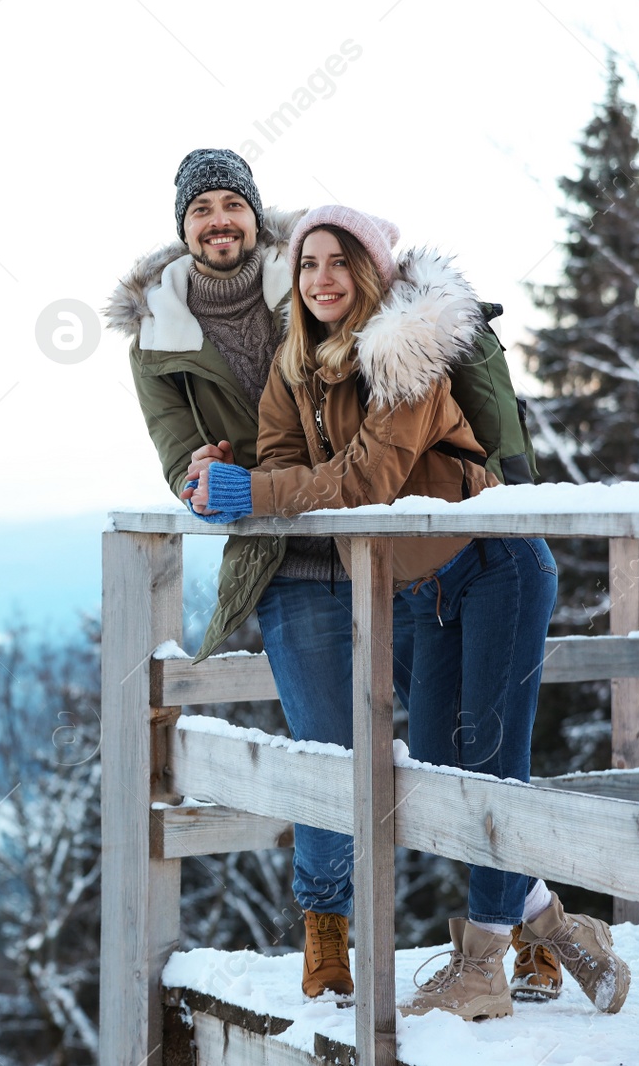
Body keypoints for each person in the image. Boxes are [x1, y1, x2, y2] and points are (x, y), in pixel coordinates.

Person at [187, 204, 631, 1021]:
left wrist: (254, 493)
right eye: (309, 262)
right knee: (432, 783)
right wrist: (223, 475)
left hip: (497, 568)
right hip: (423, 588)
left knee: (490, 765)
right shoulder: (296, 366)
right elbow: (287, 463)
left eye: (340, 262)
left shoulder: (410, 355)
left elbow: (365, 479)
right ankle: (565, 930)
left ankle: (482, 968)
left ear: (373, 274)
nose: (322, 277)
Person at [105, 149, 412, 1000]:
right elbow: (176, 449)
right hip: (286, 560)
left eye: (230, 205)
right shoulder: (159, 334)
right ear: (183, 227)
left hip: (381, 539)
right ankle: (326, 932)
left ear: (254, 214)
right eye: (200, 208)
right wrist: (193, 473)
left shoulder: (312, 276)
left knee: (451, 736)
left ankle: (509, 918)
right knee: (324, 746)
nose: (218, 221)